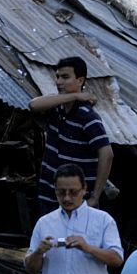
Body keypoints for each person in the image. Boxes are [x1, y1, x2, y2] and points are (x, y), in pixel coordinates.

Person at [29, 56, 115, 213]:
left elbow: (107, 154)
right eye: (58, 77)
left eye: (65, 77)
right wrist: (75, 96)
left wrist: (95, 197)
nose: (59, 82)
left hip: (75, 203)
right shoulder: (57, 108)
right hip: (50, 197)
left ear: (80, 80)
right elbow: (33, 105)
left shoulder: (87, 116)